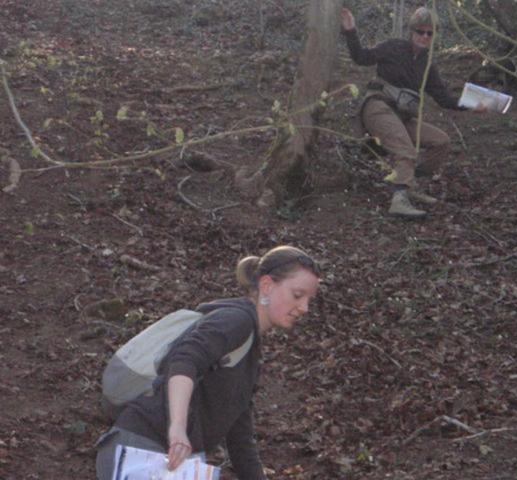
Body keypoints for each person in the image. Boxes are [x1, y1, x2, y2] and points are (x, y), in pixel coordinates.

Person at [95, 246, 321, 480]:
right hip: (144, 449)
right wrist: (177, 428)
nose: (304, 308)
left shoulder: (249, 352)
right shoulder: (237, 320)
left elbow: (240, 438)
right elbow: (184, 359)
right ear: (267, 285)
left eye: (309, 299)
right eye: (297, 295)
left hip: (174, 459)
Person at [341, 6, 486, 219]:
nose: (424, 37)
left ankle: (408, 182)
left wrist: (472, 105)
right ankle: (399, 200)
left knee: (441, 142)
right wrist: (350, 30)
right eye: (420, 31)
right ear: (412, 31)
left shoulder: (428, 65)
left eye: (430, 33)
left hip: (402, 116)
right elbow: (361, 57)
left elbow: (444, 98)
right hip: (378, 107)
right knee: (406, 149)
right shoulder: (393, 47)